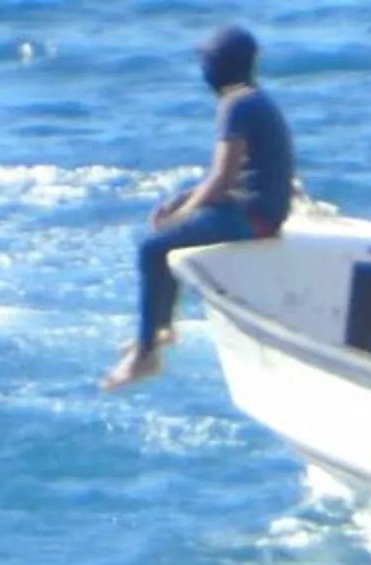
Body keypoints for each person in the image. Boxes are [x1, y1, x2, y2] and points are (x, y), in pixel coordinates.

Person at [102, 24, 295, 390]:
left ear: (220, 66)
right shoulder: (254, 99)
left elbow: (222, 180)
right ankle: (160, 330)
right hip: (262, 210)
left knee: (153, 246)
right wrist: (181, 200)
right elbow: (231, 175)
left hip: (255, 219)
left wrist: (181, 215)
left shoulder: (235, 105)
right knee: (172, 237)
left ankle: (145, 355)